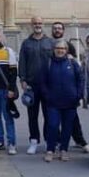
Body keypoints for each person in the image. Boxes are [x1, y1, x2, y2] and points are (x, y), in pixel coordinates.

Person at [41, 40, 84, 162]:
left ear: (66, 50)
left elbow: (80, 79)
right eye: (58, 48)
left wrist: (78, 95)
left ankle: (63, 150)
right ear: (54, 49)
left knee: (67, 127)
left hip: (70, 101)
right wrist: (46, 95)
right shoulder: (48, 63)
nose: (60, 50)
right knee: (53, 126)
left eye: (63, 48)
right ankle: (50, 150)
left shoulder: (73, 63)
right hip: (53, 102)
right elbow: (42, 82)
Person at [19, 16, 55, 155]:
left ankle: (48, 141)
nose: (37, 25)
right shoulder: (26, 43)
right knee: (32, 115)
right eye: (35, 23)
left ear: (43, 24)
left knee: (48, 114)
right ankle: (33, 141)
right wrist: (22, 79)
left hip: (47, 84)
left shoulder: (50, 42)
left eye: (40, 23)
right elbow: (22, 62)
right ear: (31, 25)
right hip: (31, 85)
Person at [51, 21, 88, 149]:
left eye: (59, 28)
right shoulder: (48, 44)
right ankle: (56, 140)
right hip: (54, 89)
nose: (57, 30)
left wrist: (78, 94)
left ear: (63, 30)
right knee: (53, 119)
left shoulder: (69, 45)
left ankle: (79, 139)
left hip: (68, 89)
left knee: (72, 118)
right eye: (55, 28)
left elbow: (75, 64)